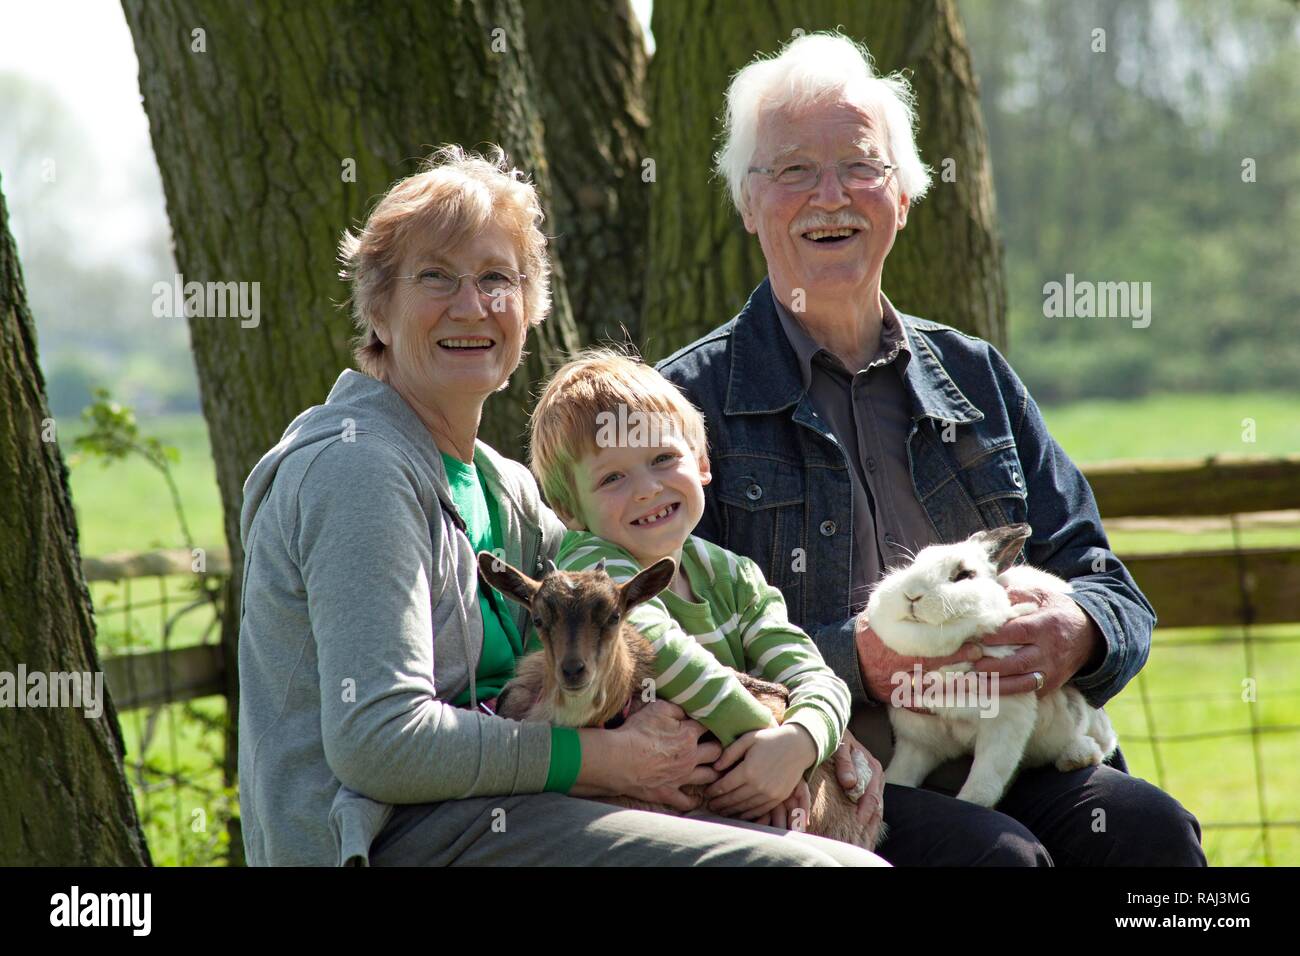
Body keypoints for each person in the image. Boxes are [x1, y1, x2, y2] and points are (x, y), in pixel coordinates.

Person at [236, 144, 882, 866]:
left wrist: (808, 732)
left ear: (530, 307)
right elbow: (378, 743)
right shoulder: (357, 469)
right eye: (435, 278)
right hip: (394, 838)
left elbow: (651, 636)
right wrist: (600, 761)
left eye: (495, 278)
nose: (472, 305)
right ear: (378, 312)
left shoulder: (502, 487)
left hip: (513, 810)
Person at [656, 32, 1206, 865]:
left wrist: (1078, 630)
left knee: (1151, 834)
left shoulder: (976, 378)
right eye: (795, 170)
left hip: (1015, 746)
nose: (830, 196)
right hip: (828, 784)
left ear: (904, 196)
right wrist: (857, 662)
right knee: (998, 859)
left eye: (861, 167)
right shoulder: (686, 406)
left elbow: (1106, 581)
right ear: (746, 202)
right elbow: (662, 639)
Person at [530, 349, 884, 844]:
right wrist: (756, 732)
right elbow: (657, 649)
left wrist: (797, 745)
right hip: (652, 806)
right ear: (569, 508)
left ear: (700, 464)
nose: (647, 489)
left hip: (740, 783)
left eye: (662, 459)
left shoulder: (733, 575)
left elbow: (809, 671)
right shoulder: (589, 568)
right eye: (613, 477)